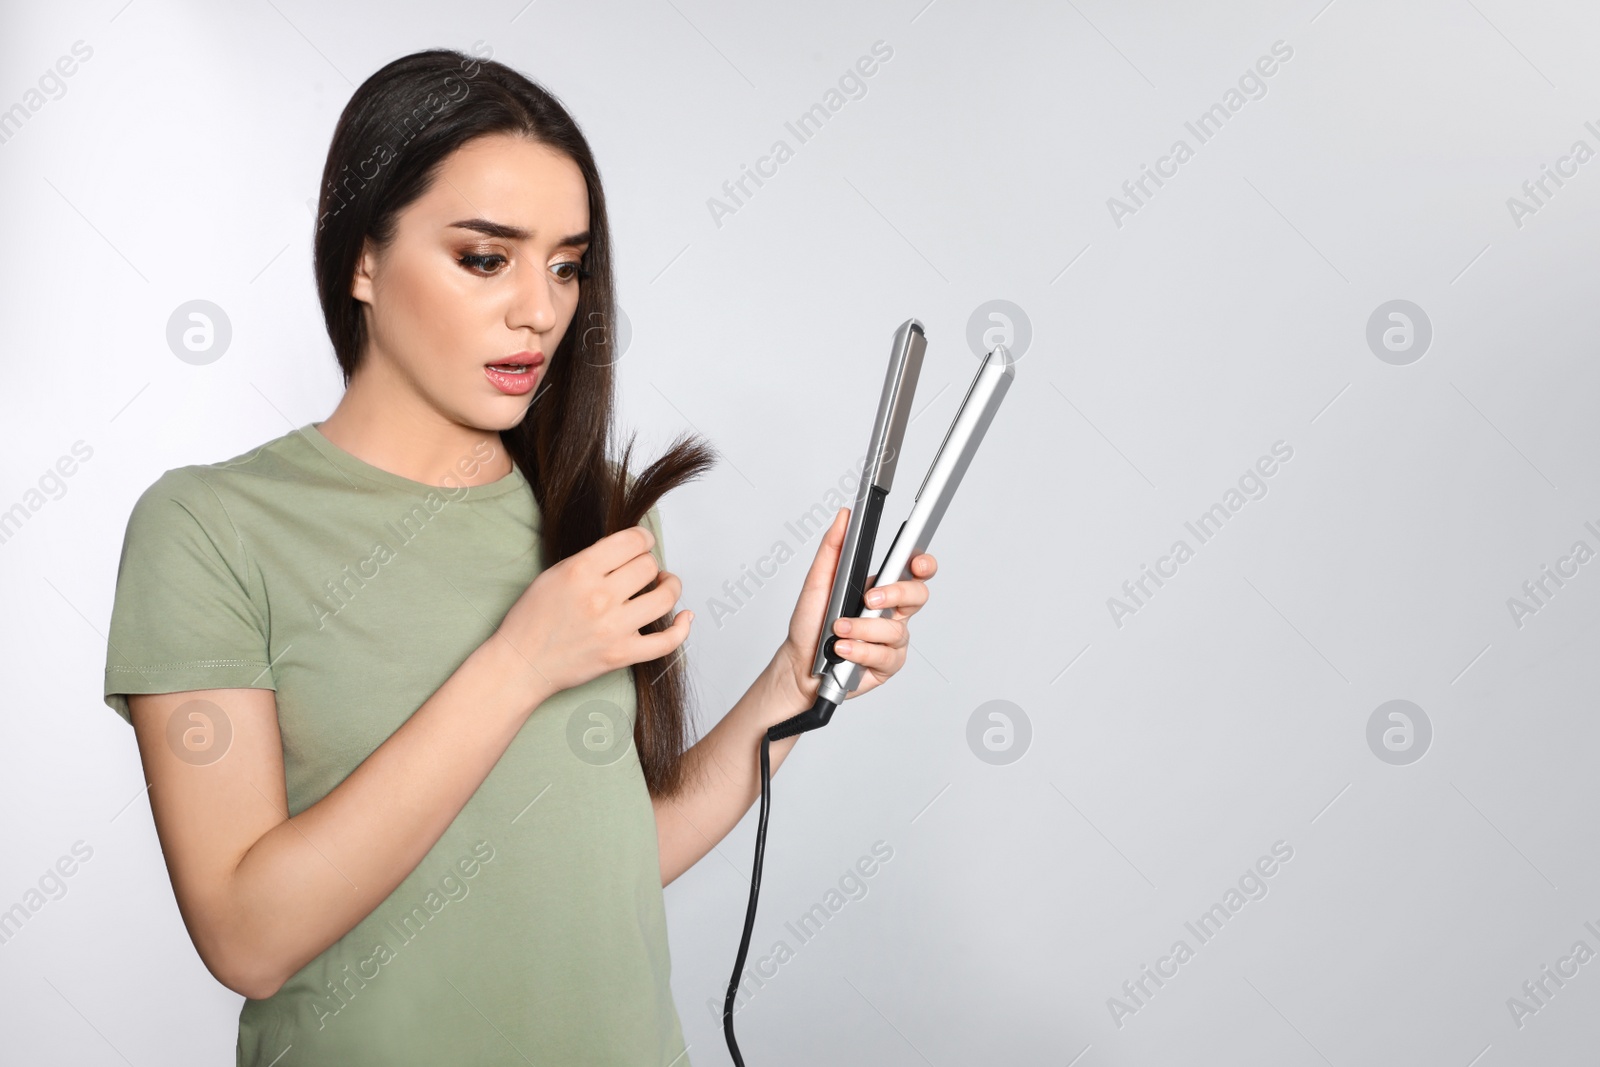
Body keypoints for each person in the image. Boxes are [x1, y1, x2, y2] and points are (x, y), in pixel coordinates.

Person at [101, 47, 938, 1066]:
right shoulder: (208, 528)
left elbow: (612, 859)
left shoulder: (592, 520)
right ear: (363, 258)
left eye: (567, 264)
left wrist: (792, 686)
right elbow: (247, 935)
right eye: (485, 258)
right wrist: (518, 660)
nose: (540, 310)